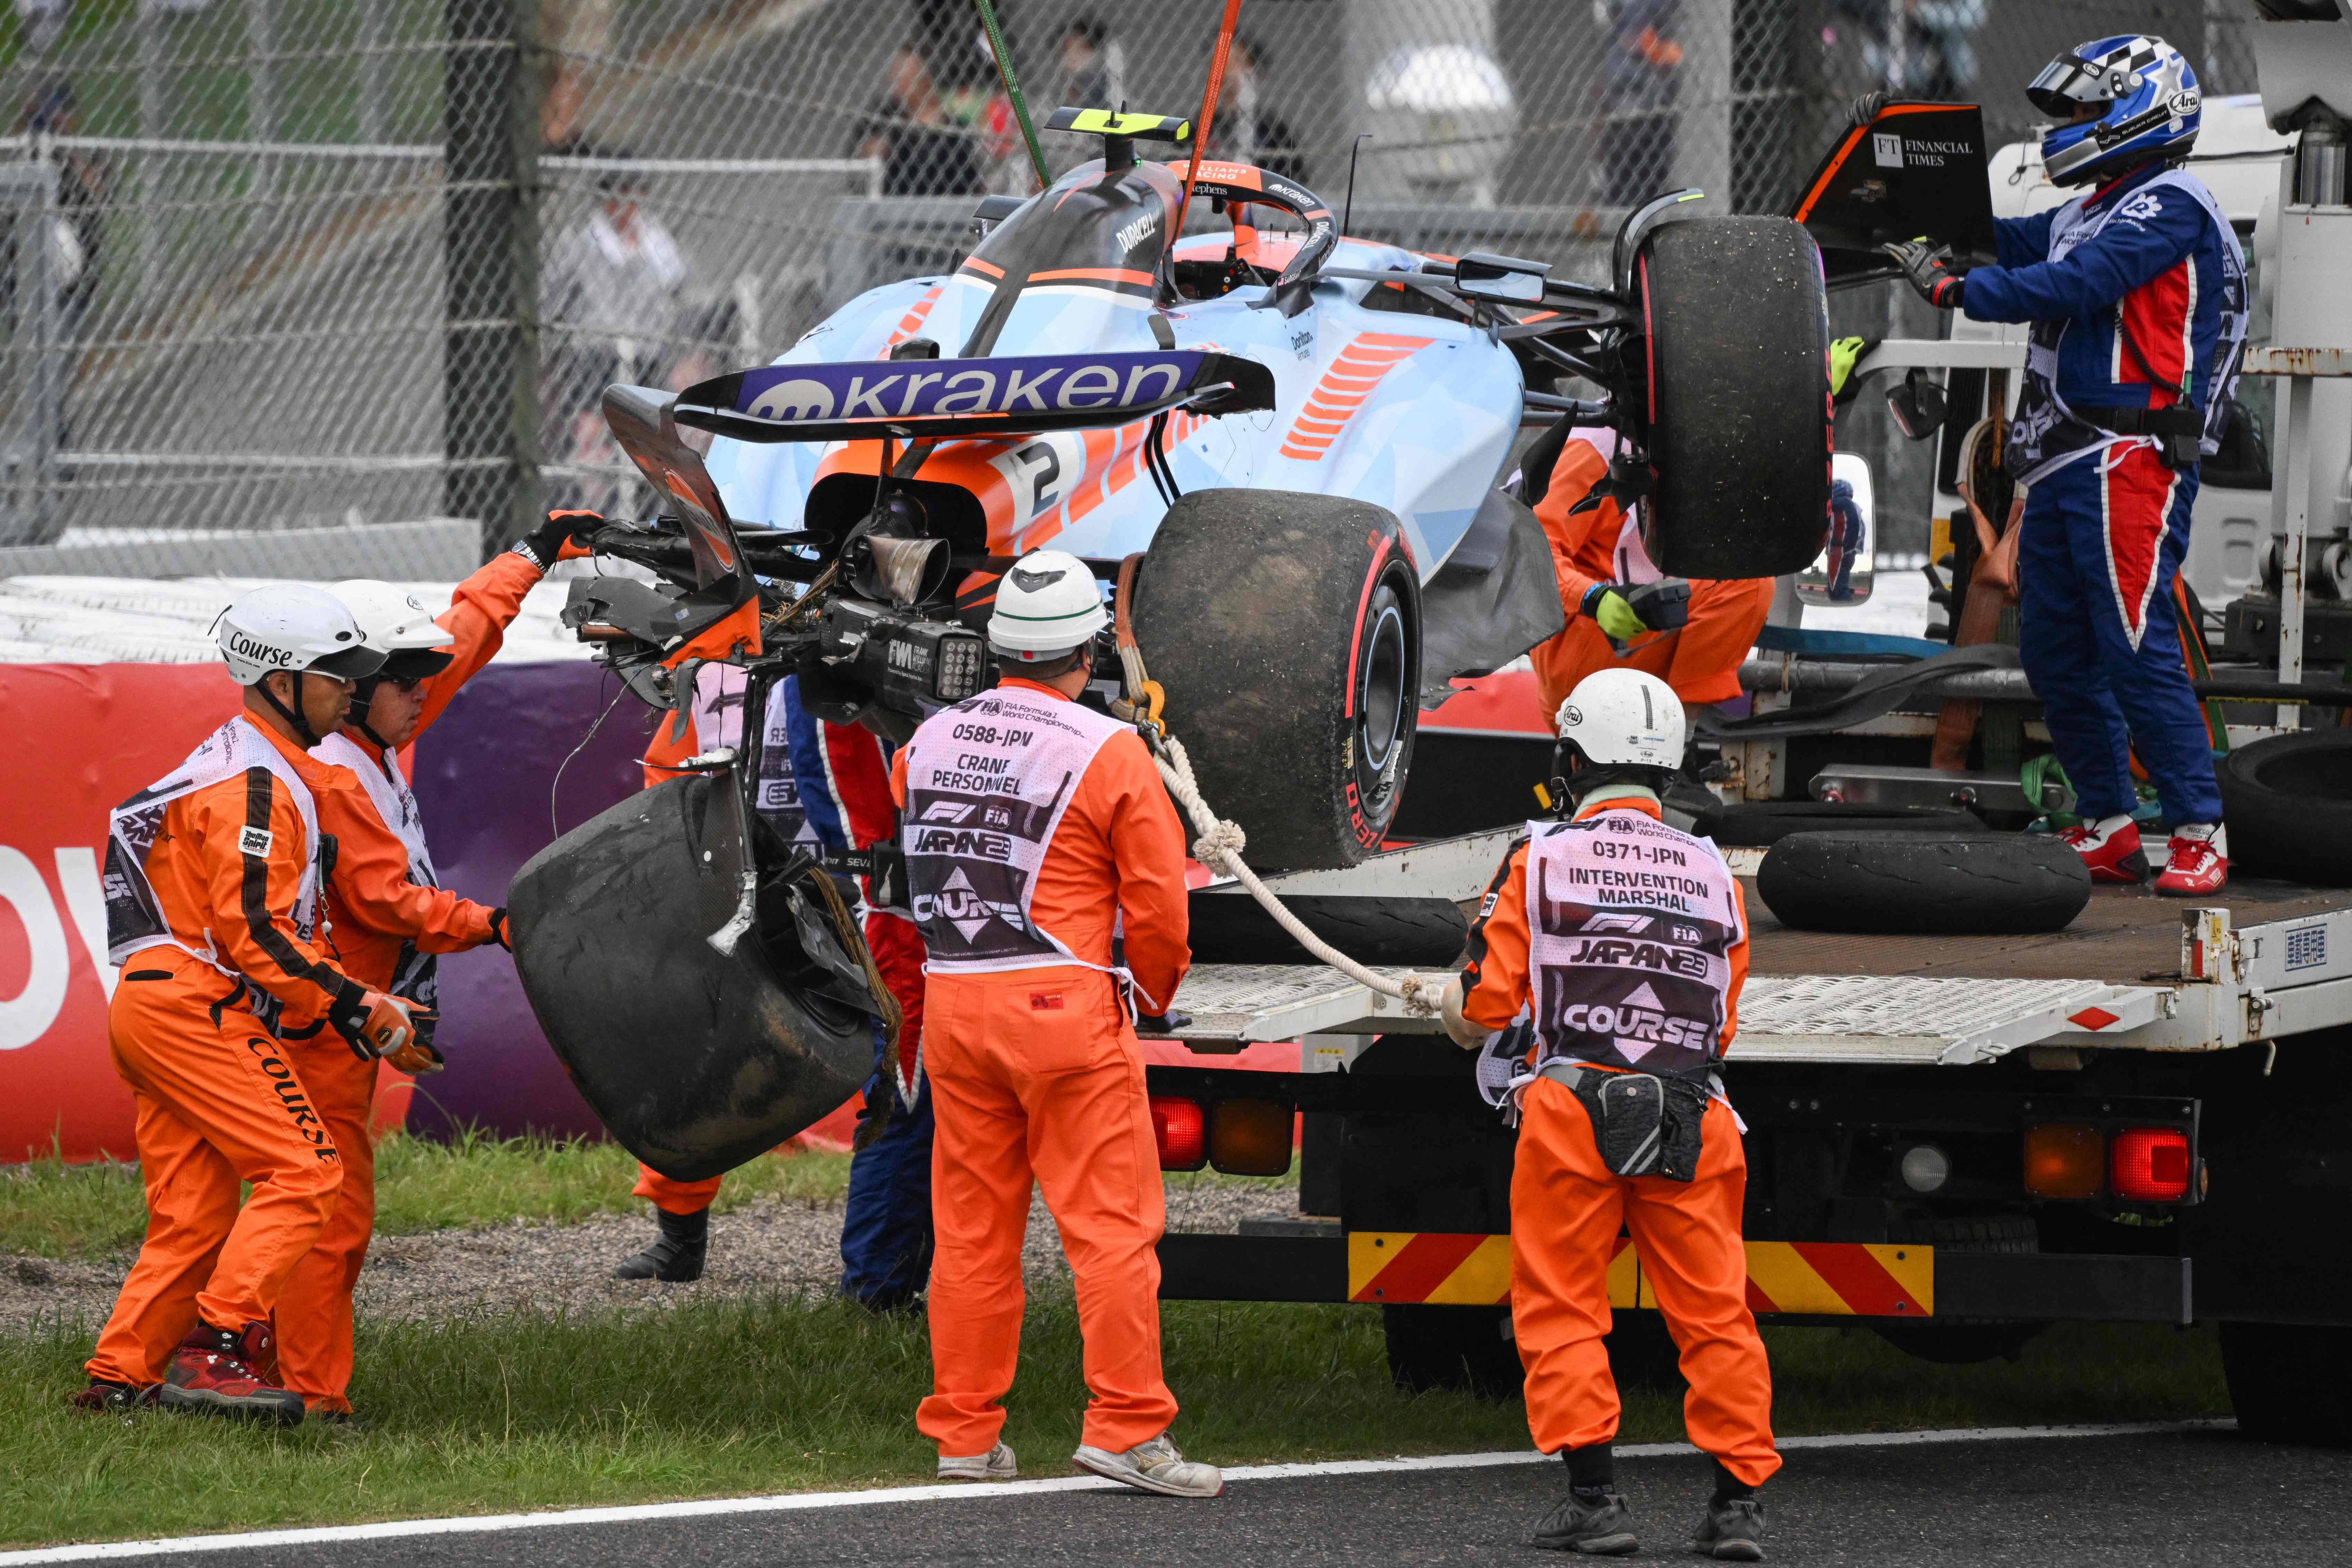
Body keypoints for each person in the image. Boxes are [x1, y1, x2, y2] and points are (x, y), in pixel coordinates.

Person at [1884, 35, 2245, 896]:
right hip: (2059, 465)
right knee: (2051, 653)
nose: (2073, 125)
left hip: (2130, 457)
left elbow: (2073, 285)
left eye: (2087, 110)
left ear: (2139, 110)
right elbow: (2006, 241)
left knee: (2133, 642)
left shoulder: (2171, 203)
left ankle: (2198, 827)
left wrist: (1952, 290)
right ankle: (2110, 824)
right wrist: (1906, 203)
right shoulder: (2096, 202)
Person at [892, 550, 1217, 1498]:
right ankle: (1126, 1428)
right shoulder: (1111, 751)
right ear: (1088, 652)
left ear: (996, 650)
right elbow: (1158, 907)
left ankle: (963, 1435)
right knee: (1110, 1233)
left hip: (956, 1002)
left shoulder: (930, 739)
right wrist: (1153, 996)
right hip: (1065, 1007)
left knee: (970, 1234)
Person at [1441, 667, 1774, 1560]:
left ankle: (1595, 1499)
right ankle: (1737, 1505)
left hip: (1570, 1107)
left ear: (1571, 758)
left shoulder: (1538, 854)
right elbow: (1723, 1013)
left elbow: (1486, 1000)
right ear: (1667, 768)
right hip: (1691, 1110)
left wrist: (1455, 1002)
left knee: (1560, 1300)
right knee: (1714, 1311)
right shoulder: (1712, 869)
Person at [270, 515, 594, 1420]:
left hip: (336, 1017)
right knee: (327, 1219)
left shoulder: (367, 733)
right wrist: (496, 924)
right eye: (405, 679)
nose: (425, 689)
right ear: (357, 686)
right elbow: (388, 902)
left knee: (309, 1211)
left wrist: (531, 555)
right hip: (317, 1025)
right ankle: (307, 1396)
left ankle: (251, 1361)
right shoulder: (337, 773)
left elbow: (463, 632)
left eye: (419, 676)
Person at [77, 586, 418, 1424]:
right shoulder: (253, 780)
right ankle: (215, 1349)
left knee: (193, 1213)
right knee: (307, 1172)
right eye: (335, 676)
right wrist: (354, 1001)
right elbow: (255, 931)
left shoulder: (248, 763)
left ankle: (121, 1378)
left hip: (153, 1005)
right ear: (278, 681)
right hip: (196, 1004)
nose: (353, 691)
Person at [613, 664, 935, 1308]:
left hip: (855, 901)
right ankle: (681, 1232)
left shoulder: (870, 655)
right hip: (770, 899)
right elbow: (669, 783)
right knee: (699, 1050)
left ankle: (888, 1279)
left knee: (902, 1086)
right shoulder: (719, 661)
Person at [1518, 419, 1773, 723]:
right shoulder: (1594, 448)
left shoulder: (1686, 447)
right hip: (1581, 643)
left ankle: (1667, 751)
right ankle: (1673, 744)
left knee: (1747, 575)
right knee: (1748, 582)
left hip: (1635, 632)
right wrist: (1592, 598)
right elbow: (1528, 554)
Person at [852, 44, 986, 198]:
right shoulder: (881, 121)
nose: (898, 81)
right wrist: (871, 157)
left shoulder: (958, 131)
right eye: (896, 74)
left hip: (949, 210)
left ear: (927, 79)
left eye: (907, 75)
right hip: (892, 210)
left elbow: (974, 182)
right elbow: (859, 171)